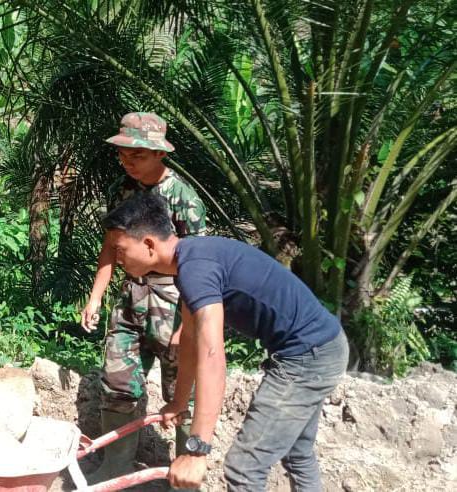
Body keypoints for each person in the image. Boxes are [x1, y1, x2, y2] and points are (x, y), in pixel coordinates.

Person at [101, 192, 348, 491]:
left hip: (309, 356)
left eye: (120, 249)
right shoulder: (190, 262)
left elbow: (212, 354)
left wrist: (196, 450)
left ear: (149, 245)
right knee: (297, 454)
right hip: (321, 347)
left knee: (244, 468)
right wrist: (179, 402)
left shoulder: (195, 270)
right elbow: (190, 341)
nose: (116, 258)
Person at [80, 112, 206, 481]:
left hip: (175, 298)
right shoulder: (121, 188)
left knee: (182, 386)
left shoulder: (182, 197)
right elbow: (111, 245)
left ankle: (186, 472)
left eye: (137, 156)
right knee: (117, 380)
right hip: (130, 294)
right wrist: (96, 295)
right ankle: (115, 464)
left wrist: (190, 319)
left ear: (159, 154)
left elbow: (196, 263)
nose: (127, 162)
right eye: (123, 155)